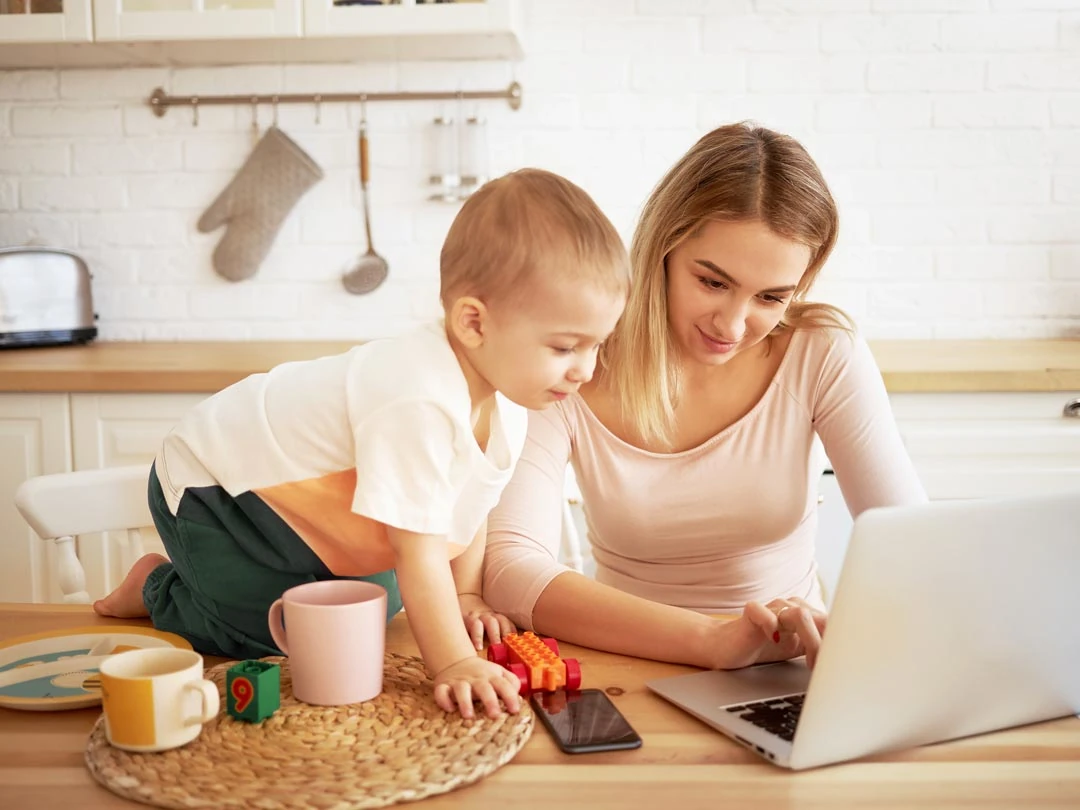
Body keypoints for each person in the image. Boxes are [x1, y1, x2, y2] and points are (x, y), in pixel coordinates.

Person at [92, 168, 629, 719]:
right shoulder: (416, 396)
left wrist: (466, 595)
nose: (585, 370)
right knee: (269, 637)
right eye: (566, 347)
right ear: (474, 323)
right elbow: (418, 552)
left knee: (375, 608)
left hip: (309, 515)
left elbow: (471, 509)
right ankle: (159, 586)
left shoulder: (508, 404)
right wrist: (452, 664)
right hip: (218, 487)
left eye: (597, 346)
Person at [482, 123, 927, 673]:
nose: (733, 324)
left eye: (770, 297)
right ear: (664, 249)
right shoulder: (572, 359)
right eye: (713, 282)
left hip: (787, 668)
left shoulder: (821, 351)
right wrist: (711, 640)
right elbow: (509, 569)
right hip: (628, 666)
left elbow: (912, 545)